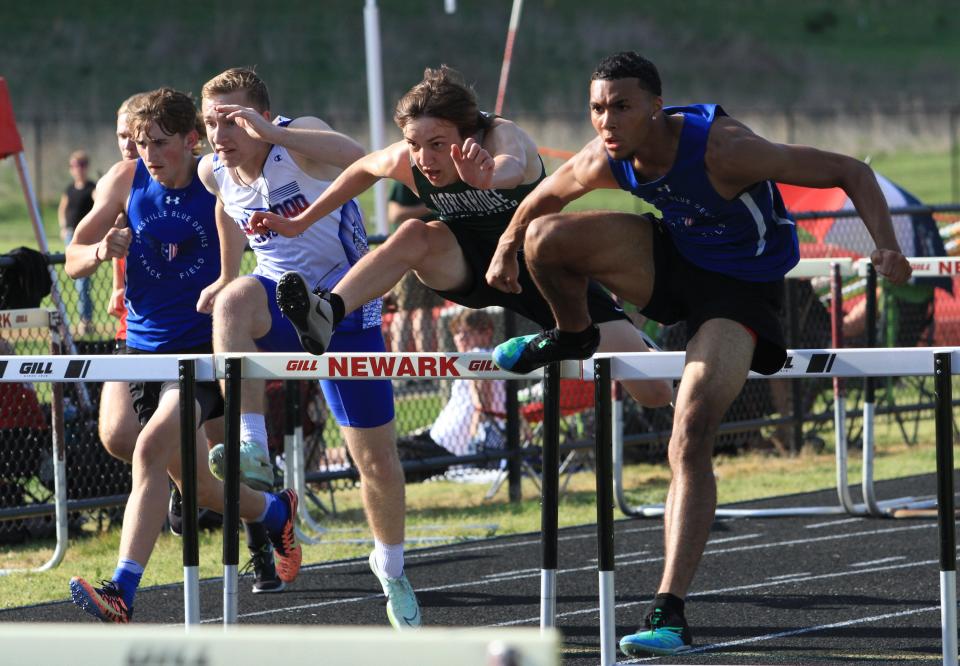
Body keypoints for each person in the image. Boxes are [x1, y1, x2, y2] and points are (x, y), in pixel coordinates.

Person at [486, 52, 913, 657]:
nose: (607, 121)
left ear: (656, 106)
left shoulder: (725, 150)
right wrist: (505, 246)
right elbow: (544, 197)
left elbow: (850, 170)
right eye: (597, 108)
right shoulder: (605, 155)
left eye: (621, 107)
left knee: (688, 430)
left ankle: (670, 612)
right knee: (541, 238)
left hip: (739, 289)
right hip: (675, 260)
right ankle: (574, 333)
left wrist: (887, 248)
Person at [247, 66, 672, 413]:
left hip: (547, 276)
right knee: (414, 233)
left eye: (437, 145)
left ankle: (640, 345)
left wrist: (488, 175)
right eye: (415, 144)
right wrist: (299, 221)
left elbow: (513, 164)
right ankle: (329, 310)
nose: (425, 160)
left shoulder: (499, 137)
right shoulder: (407, 159)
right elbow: (361, 171)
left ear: (467, 135)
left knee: (654, 394)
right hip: (472, 267)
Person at [64, 87, 300, 623]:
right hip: (141, 346)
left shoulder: (216, 178)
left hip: (198, 349)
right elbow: (74, 254)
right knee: (141, 449)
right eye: (140, 142)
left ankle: (122, 589)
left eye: (160, 143)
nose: (148, 153)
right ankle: (271, 510)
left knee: (149, 449)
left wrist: (227, 284)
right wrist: (101, 250)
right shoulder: (126, 179)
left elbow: (253, 247)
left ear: (192, 141)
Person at [195, 68, 421, 627]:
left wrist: (274, 134)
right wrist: (226, 274)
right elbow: (227, 210)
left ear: (262, 117)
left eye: (232, 120)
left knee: (376, 461)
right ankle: (252, 449)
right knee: (232, 307)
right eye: (210, 123)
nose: (220, 135)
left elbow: (358, 155)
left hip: (343, 309)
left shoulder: (299, 143)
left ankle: (391, 568)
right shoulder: (212, 170)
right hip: (278, 298)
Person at [385, 183, 445, 354]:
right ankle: (402, 373)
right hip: (408, 255)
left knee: (425, 312)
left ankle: (426, 370)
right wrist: (430, 205)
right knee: (404, 311)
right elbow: (395, 214)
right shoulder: (405, 180)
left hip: (435, 253)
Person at [58, 150, 96, 336]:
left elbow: (100, 207)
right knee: (77, 281)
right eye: (74, 165)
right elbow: (63, 209)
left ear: (86, 167)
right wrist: (63, 227)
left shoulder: (92, 188)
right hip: (70, 236)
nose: (78, 169)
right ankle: (84, 317)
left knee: (82, 282)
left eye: (81, 164)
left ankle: (85, 320)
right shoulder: (70, 189)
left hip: (85, 238)